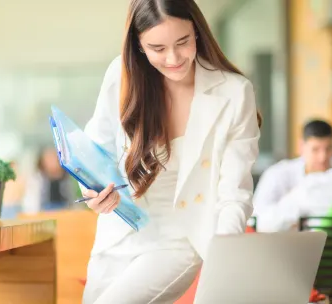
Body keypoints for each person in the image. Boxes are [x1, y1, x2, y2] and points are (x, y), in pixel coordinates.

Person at [79, 1, 261, 303]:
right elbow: (94, 148)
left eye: (182, 42)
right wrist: (93, 191)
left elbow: (235, 193)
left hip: (180, 239)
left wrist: (223, 259)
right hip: (119, 231)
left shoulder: (234, 92)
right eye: (157, 48)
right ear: (138, 45)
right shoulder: (121, 76)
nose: (174, 58)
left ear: (197, 32)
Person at [253, 119, 332, 216]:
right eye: (315, 149)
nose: (323, 157)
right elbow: (258, 215)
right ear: (301, 146)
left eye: (328, 148)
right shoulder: (277, 174)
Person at [22, 147, 74, 212]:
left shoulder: (66, 178)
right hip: (43, 213)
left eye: (54, 158)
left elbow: (71, 200)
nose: (52, 162)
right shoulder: (36, 179)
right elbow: (31, 204)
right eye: (49, 159)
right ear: (42, 162)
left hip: (65, 213)